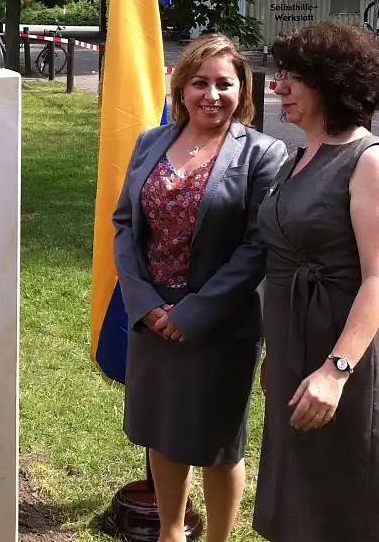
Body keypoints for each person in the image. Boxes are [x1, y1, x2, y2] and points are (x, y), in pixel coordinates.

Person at [113, 34, 287, 542]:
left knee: (219, 444)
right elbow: (124, 224)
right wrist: (146, 306)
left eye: (225, 84)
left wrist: (193, 314)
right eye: (200, 83)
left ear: (243, 90)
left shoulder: (263, 154)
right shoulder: (151, 142)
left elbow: (257, 247)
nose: (212, 95)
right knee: (162, 434)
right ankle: (171, 533)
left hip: (218, 326)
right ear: (182, 87)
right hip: (153, 319)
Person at [254, 21, 379, 542]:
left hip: (342, 351)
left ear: (333, 83)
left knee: (340, 497)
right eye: (280, 75)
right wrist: (278, 351)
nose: (279, 87)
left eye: (295, 77)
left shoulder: (371, 161)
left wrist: (336, 371)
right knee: (294, 491)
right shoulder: (297, 158)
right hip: (294, 343)